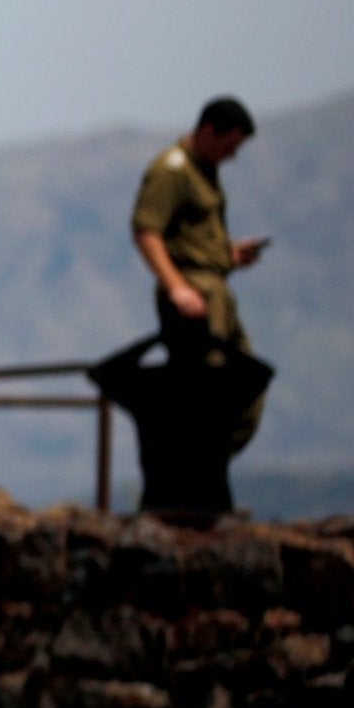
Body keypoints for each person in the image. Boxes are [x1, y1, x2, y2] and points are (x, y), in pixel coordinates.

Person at [130, 97, 271, 457]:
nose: (232, 155)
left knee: (242, 384)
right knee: (202, 390)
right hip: (193, 296)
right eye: (229, 145)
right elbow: (147, 230)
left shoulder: (203, 171)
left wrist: (229, 255)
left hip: (215, 289)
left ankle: (206, 469)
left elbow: (191, 236)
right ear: (209, 131)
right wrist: (176, 286)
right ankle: (190, 478)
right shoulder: (172, 170)